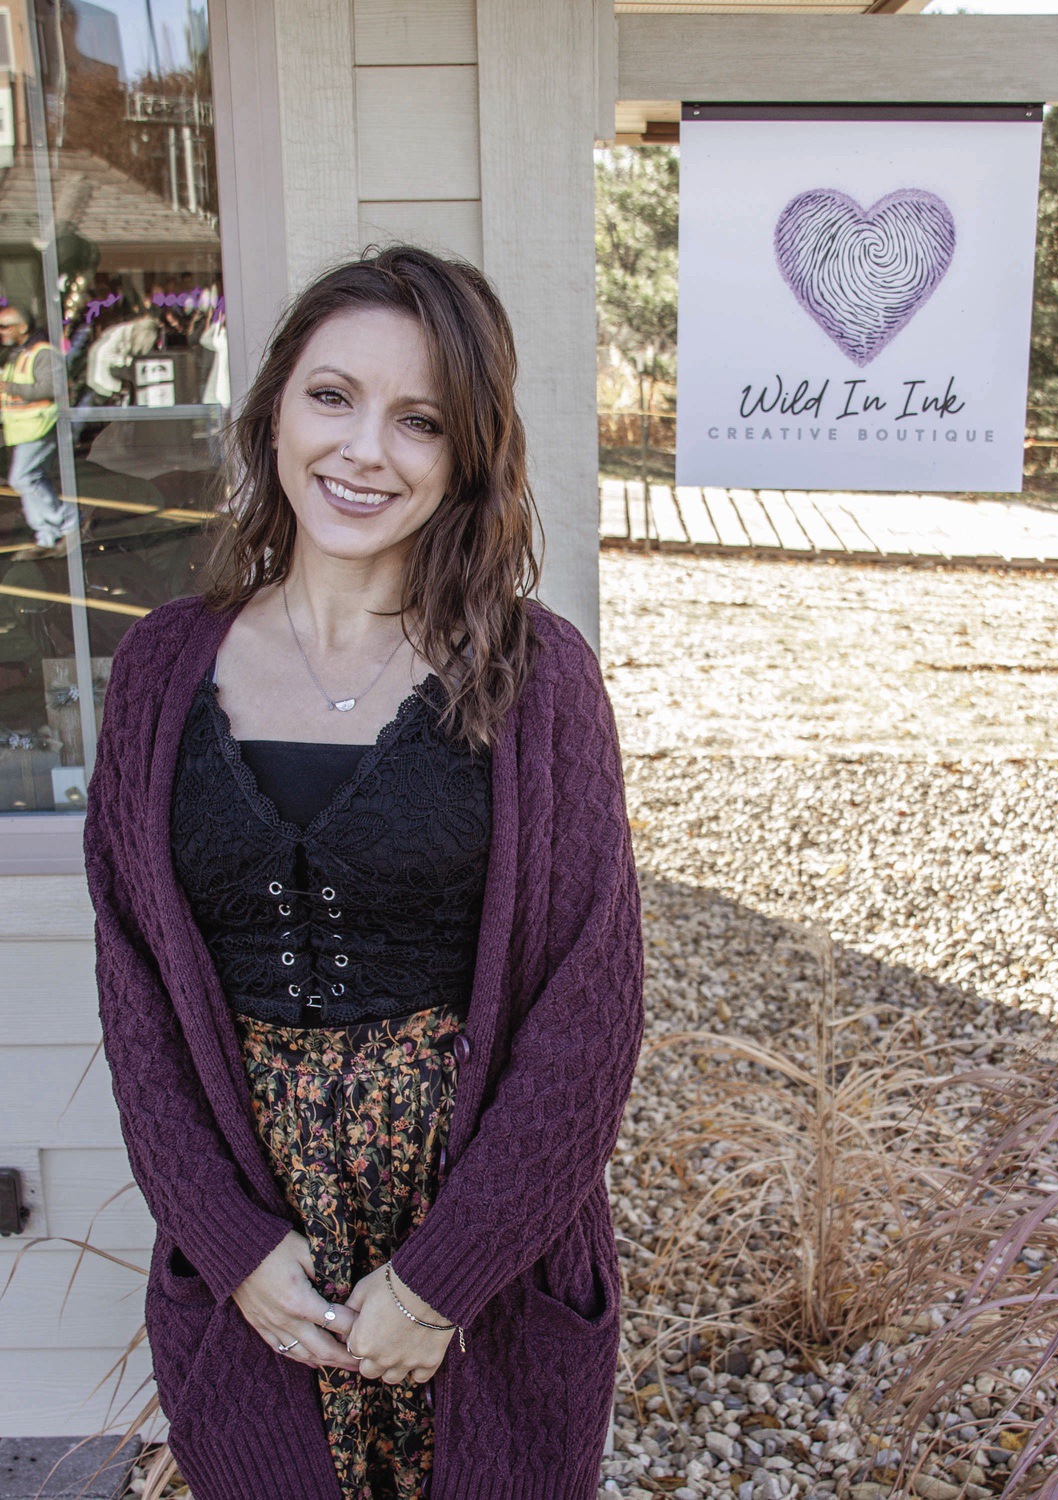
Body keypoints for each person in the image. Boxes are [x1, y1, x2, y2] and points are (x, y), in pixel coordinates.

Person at [82, 245, 646, 1500]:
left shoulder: (534, 678)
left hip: (477, 1245)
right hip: (253, 1249)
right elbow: (135, 990)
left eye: (420, 419)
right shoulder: (164, 670)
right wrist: (229, 1245)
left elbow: (588, 1009)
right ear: (274, 403)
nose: (364, 451)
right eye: (332, 396)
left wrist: (447, 1277)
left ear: (466, 454)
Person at [0, 305, 77, 554]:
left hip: (41, 426)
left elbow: (52, 388)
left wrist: (9, 386)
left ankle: (68, 519)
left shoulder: (42, 353)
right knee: (33, 479)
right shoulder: (19, 353)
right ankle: (48, 535)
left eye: (5, 326)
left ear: (22, 327)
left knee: (21, 478)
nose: (1, 332)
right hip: (24, 428)